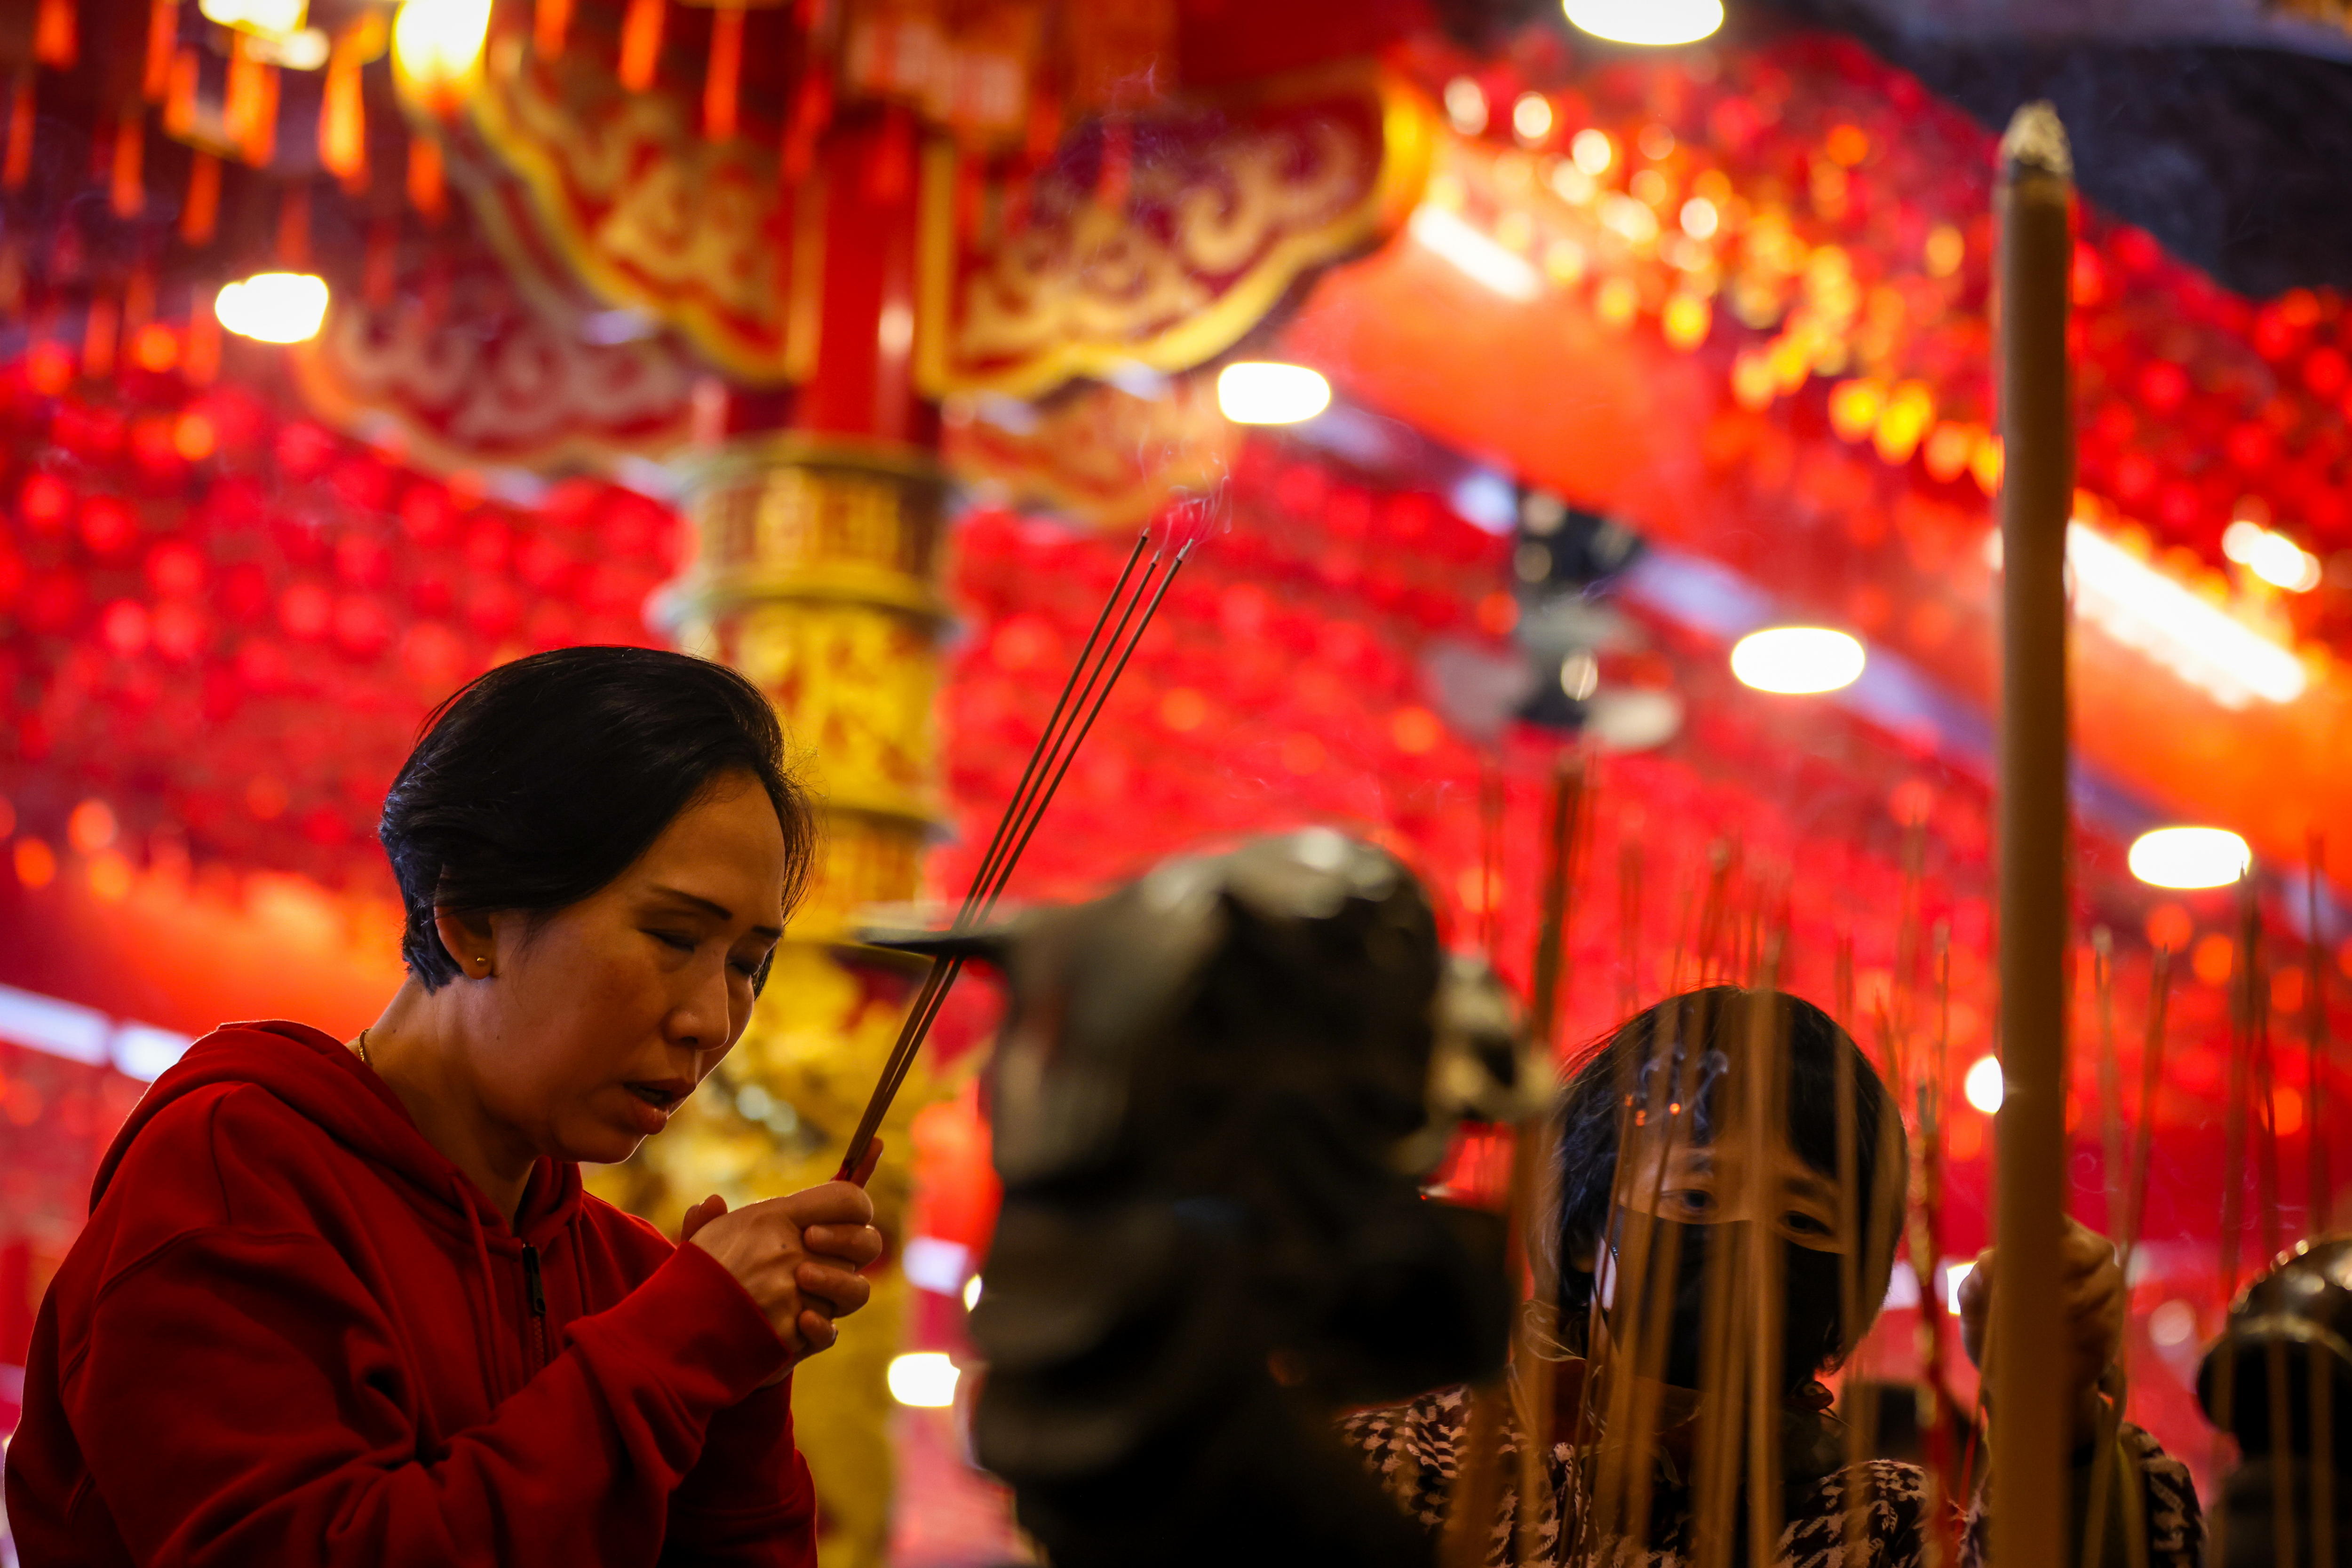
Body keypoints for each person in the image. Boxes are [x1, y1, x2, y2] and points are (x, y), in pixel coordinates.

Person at [3, 647, 884, 1567]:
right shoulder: (234, 1172)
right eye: (673, 935)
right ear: (468, 915)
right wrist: (676, 1347)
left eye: (748, 963)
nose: (711, 1019)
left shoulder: (629, 1275)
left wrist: (735, 1380)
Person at [1344, 985, 2204, 1567]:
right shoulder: (1412, 1471)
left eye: (1804, 1219)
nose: (1748, 1247)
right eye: (1697, 1192)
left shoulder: (1885, 1530)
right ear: (1584, 1230)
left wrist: (2052, 1417)